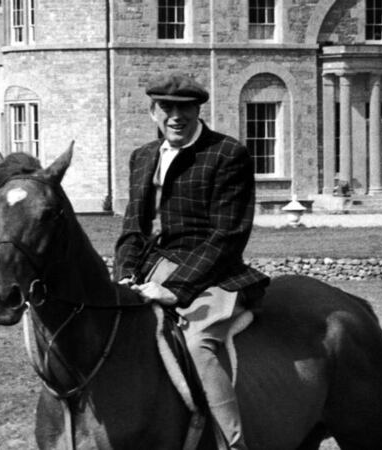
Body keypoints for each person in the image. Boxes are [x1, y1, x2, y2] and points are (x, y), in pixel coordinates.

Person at [114, 72, 269, 450]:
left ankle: (231, 442)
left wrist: (175, 289)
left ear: (198, 110)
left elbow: (227, 237)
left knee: (197, 341)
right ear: (153, 111)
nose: (175, 116)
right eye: (166, 108)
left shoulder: (227, 154)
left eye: (184, 108)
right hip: (152, 270)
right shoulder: (143, 156)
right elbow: (133, 228)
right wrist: (124, 277)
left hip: (213, 275)